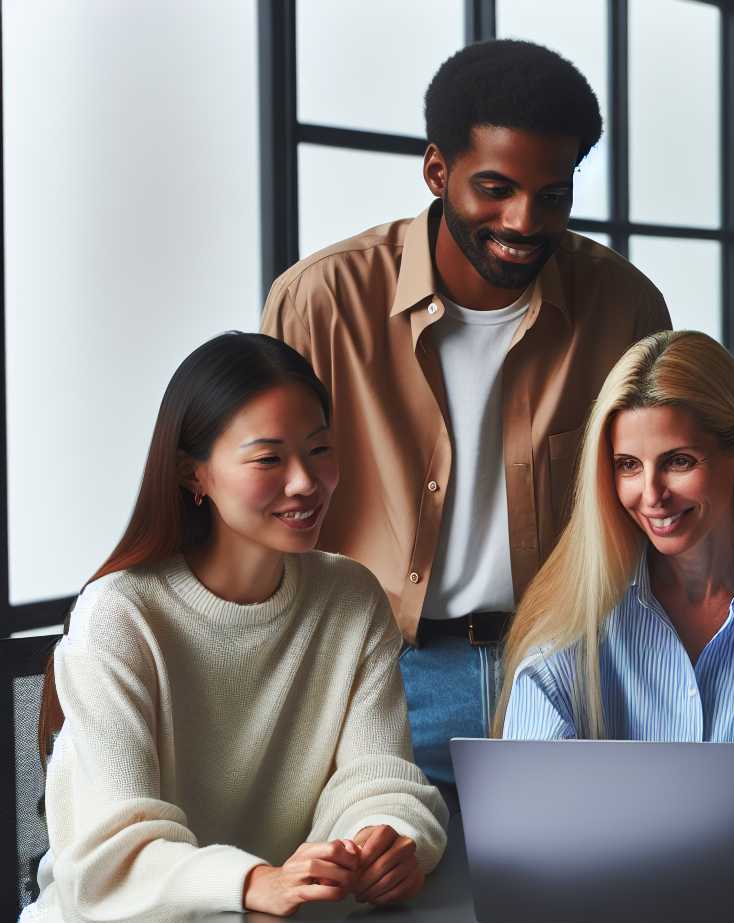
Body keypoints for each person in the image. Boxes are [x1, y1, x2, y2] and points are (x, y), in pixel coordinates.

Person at [260, 40, 672, 786]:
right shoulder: (323, 302)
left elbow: (665, 489)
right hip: (381, 674)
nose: (524, 221)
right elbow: (248, 492)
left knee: (574, 897)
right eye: (495, 188)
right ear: (437, 171)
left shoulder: (624, 306)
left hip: (570, 670)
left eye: (553, 195)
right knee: (392, 893)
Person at [16, 334, 448, 923]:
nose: (306, 482)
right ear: (195, 473)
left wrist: (385, 840)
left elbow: (377, 776)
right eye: (268, 459)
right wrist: (256, 881)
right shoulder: (122, 614)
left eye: (320, 450)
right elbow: (111, 857)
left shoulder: (349, 597)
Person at [494, 332, 734, 814]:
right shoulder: (574, 612)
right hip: (600, 887)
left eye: (678, 462)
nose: (651, 495)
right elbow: (534, 797)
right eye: (628, 465)